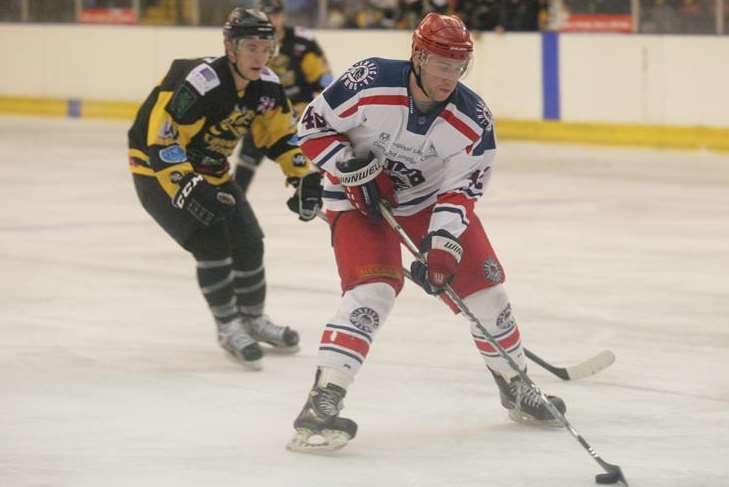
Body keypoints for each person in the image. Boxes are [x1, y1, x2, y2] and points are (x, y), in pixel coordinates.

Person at [286, 12, 566, 452]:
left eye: (458, 67)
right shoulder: (370, 80)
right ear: (417, 56)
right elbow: (312, 129)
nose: (449, 77)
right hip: (355, 199)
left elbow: (460, 191)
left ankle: (515, 385)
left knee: (488, 292)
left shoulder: (472, 118)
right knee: (373, 292)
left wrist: (442, 247)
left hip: (428, 201)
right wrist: (351, 168)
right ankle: (322, 401)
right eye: (441, 65)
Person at [127, 7, 323, 370]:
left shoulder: (267, 85)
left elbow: (280, 136)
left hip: (211, 170)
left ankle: (252, 318)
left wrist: (303, 176)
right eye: (251, 47)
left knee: (250, 239)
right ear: (230, 47)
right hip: (156, 171)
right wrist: (185, 186)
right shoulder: (200, 83)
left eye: (267, 48)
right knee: (211, 241)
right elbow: (163, 142)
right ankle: (228, 326)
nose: (260, 57)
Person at [233, 0, 333, 195]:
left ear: (282, 15)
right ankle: (234, 204)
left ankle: (342, 191)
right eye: (266, 15)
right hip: (264, 109)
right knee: (248, 157)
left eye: (275, 14)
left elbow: (324, 81)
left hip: (299, 108)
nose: (271, 20)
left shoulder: (302, 42)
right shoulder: (249, 44)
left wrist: (317, 113)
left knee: (320, 150)